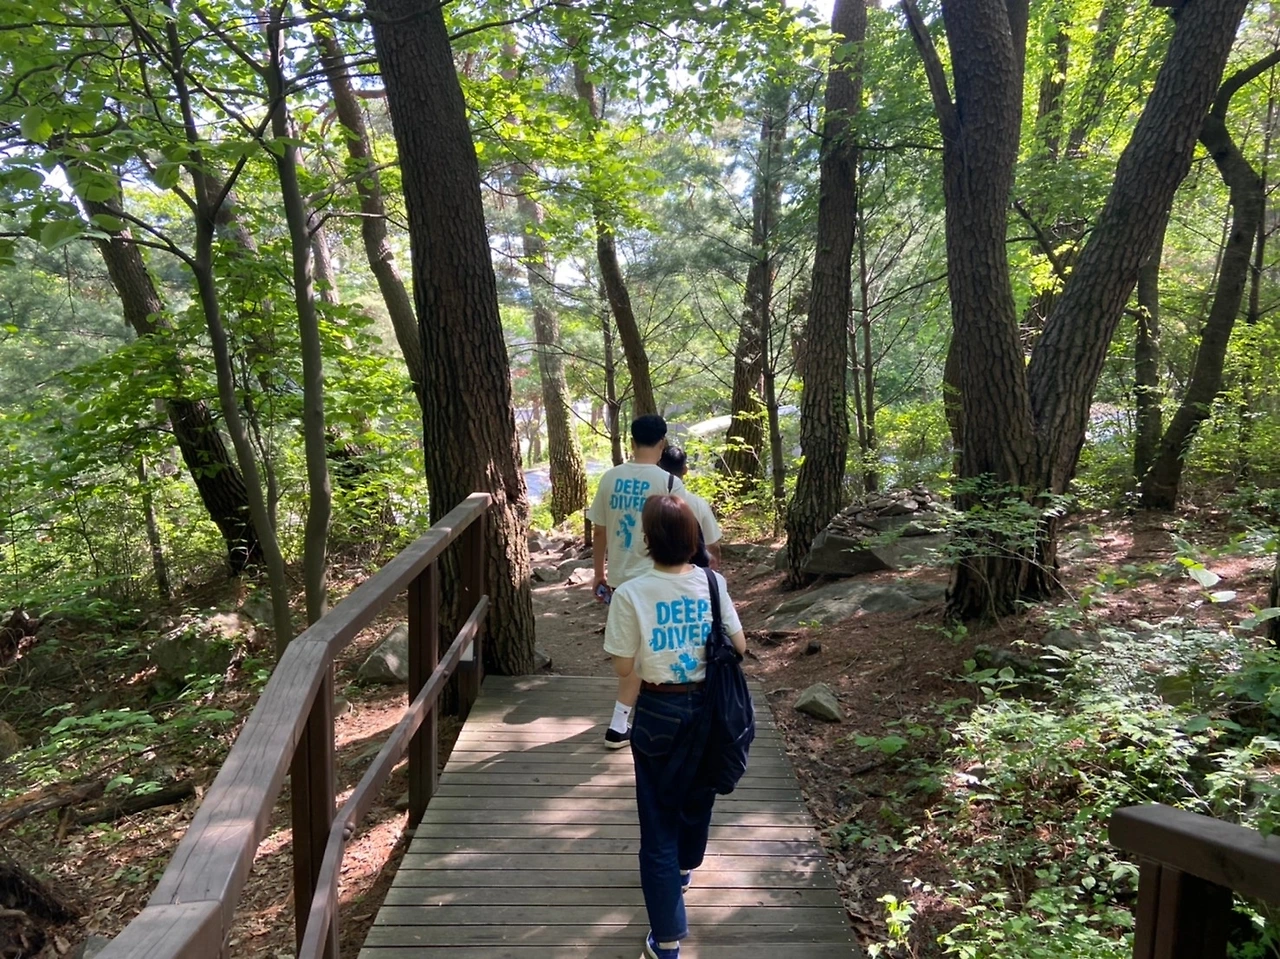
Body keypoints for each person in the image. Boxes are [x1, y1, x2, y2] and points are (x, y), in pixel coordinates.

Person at [603, 494, 747, 959]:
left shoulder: (631, 593)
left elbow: (623, 667)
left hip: (659, 712)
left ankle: (666, 941)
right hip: (711, 710)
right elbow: (740, 647)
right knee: (699, 795)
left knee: (658, 822)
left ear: (647, 540)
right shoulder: (713, 583)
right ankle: (685, 868)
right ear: (692, 538)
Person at [587, 414, 687, 748]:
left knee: (630, 651)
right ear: (662, 443)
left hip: (621, 582)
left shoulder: (610, 478)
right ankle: (649, 720)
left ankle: (620, 724)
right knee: (659, 648)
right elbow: (682, 535)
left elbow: (599, 531)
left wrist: (599, 573)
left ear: (631, 442)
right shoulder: (669, 483)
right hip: (659, 580)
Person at [658, 446, 722, 569]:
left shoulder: (652, 502)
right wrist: (713, 570)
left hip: (659, 570)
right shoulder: (698, 504)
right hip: (694, 571)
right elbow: (713, 545)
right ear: (685, 470)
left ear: (659, 468)